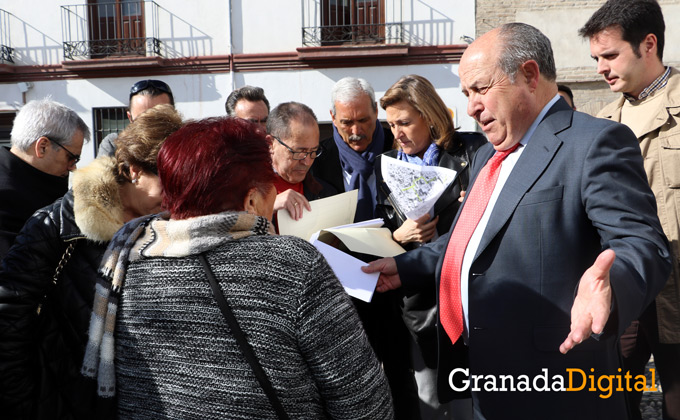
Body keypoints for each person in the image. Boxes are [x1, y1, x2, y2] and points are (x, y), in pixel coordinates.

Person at [363, 22, 671, 419]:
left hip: (555, 387)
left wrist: (613, 284)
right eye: (466, 94)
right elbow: (467, 241)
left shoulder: (595, 142)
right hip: (484, 381)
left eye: (481, 89)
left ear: (528, 75)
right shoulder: (486, 158)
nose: (472, 107)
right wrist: (402, 267)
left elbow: (643, 244)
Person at [79, 116, 394, 419]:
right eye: (271, 182)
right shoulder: (293, 265)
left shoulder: (126, 259)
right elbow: (363, 401)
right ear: (252, 201)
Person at [0, 105, 183, 419]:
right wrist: (26, 405)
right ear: (134, 170)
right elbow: (8, 322)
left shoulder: (174, 225)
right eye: (171, 183)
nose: (178, 198)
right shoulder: (56, 225)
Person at [580, 1, 680, 418]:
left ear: (648, 44)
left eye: (609, 55)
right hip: (626, 300)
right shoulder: (601, 123)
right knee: (615, 406)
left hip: (676, 299)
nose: (600, 68)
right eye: (595, 58)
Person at [376, 74, 485, 419]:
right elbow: (383, 231)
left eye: (405, 122)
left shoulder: (472, 151)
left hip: (471, 296)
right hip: (420, 302)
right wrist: (399, 237)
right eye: (391, 125)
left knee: (478, 396)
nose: (397, 133)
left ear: (430, 115)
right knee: (431, 401)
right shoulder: (386, 166)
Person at [0, 98, 89, 260]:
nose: (73, 167)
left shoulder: (33, 181)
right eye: (71, 157)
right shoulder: (7, 197)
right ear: (43, 147)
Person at [311, 76, 393, 222]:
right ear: (333, 117)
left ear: (376, 111)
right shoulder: (315, 160)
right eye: (347, 123)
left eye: (363, 120)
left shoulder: (399, 150)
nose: (356, 131)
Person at [267, 101, 335, 222]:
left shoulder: (325, 192)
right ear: (271, 144)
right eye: (298, 152)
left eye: (313, 151)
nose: (307, 162)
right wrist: (267, 207)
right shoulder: (242, 188)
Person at [97, 79, 175, 157]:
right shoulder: (114, 145)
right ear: (130, 118)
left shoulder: (184, 145)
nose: (151, 127)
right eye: (142, 119)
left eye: (159, 119)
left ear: (173, 115)